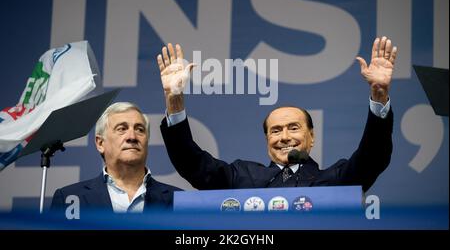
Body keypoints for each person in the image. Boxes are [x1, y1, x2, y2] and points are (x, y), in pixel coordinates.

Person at [157, 37, 397, 192]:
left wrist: (379, 94)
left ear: (311, 137)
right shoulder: (240, 176)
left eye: (293, 128)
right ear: (267, 140)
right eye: (275, 130)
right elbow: (191, 162)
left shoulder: (335, 179)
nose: (283, 137)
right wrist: (174, 99)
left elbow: (372, 157)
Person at [51, 102, 181, 213]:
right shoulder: (69, 199)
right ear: (100, 143)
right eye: (121, 129)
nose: (132, 137)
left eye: (140, 129)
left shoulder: (178, 200)